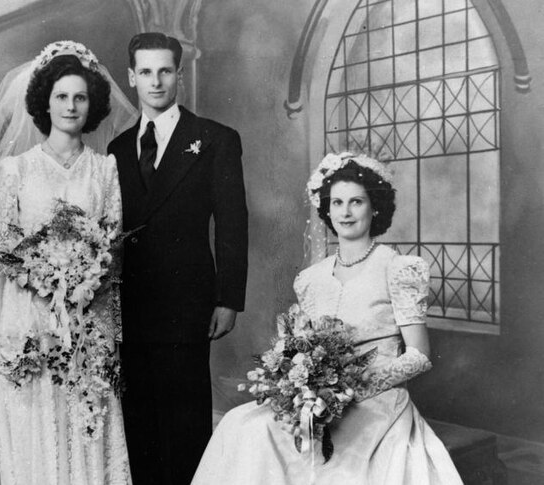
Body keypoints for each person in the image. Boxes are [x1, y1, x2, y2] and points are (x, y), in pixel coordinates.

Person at [191, 153, 462, 485]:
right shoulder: (310, 279)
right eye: (337, 203)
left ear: (374, 207)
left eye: (356, 202)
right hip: (315, 401)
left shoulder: (398, 268)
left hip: (376, 401)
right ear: (327, 209)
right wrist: (297, 385)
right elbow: (300, 346)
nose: (345, 212)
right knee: (241, 423)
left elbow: (419, 355)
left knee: (334, 465)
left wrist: (353, 387)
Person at [0, 42, 137, 484]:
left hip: (90, 316)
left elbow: (114, 244)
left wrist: (87, 277)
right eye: (62, 96)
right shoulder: (17, 169)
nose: (71, 106)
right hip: (32, 315)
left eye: (80, 97)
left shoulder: (105, 169)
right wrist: (44, 278)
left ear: (93, 104)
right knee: (37, 415)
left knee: (86, 418)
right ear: (45, 101)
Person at [106, 32, 249, 485]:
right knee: (139, 421)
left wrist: (229, 299)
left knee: (185, 421)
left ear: (179, 76)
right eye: (145, 72)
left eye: (165, 70)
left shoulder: (214, 139)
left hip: (187, 303)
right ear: (131, 78)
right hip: (130, 307)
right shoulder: (117, 151)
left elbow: (232, 223)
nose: (155, 81)